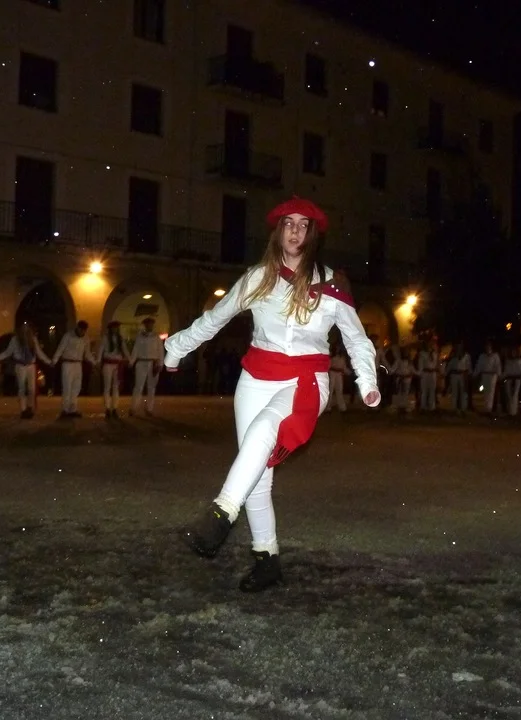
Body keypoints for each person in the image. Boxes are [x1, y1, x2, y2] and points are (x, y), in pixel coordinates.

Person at [163, 197, 380, 592]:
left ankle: (220, 514)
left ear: (312, 233)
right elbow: (216, 318)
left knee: (265, 430)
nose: (295, 230)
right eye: (288, 223)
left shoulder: (332, 283)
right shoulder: (257, 278)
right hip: (255, 379)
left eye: (303, 224)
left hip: (306, 382)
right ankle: (267, 560)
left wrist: (367, 382)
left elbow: (356, 337)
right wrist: (177, 347)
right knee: (258, 477)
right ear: (278, 231)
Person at [0, 323, 51, 419]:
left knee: (31, 389)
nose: (25, 330)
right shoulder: (15, 340)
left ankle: (30, 407)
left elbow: (39, 352)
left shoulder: (33, 339)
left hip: (31, 366)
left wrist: (48, 361)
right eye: (23, 328)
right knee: (21, 388)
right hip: (20, 366)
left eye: (27, 328)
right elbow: (7, 352)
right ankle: (23, 409)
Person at [52, 320, 95, 419]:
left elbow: (87, 353)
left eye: (84, 330)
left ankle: (73, 409)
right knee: (67, 386)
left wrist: (94, 362)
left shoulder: (85, 338)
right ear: (78, 328)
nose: (83, 332)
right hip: (67, 363)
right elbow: (60, 349)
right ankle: (65, 409)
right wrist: (54, 360)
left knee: (76, 387)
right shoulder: (68, 336)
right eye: (81, 330)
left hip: (78, 364)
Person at [130, 317, 165, 416]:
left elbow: (160, 351)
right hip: (141, 362)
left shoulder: (156, 337)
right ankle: (134, 408)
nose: (149, 326)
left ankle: (149, 409)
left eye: (151, 324)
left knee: (151, 387)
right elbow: (135, 349)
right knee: (138, 386)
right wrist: (131, 361)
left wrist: (160, 364)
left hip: (153, 363)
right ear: (145, 325)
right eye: (148, 324)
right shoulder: (140, 336)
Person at [98, 321, 131, 419]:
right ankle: (107, 408)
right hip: (108, 364)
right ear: (110, 328)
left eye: (116, 327)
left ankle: (115, 408)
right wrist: (98, 361)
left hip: (117, 364)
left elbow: (125, 350)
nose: (115, 329)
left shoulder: (120, 338)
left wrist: (130, 360)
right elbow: (100, 350)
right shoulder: (105, 338)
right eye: (113, 327)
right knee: (107, 387)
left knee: (116, 387)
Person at [474, 340, 502, 415]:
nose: (487, 347)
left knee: (491, 392)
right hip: (485, 375)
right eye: (486, 346)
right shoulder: (482, 356)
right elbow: (479, 366)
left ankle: (489, 408)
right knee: (486, 392)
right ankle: (486, 408)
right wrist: (475, 374)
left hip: (492, 376)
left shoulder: (495, 355)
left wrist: (499, 375)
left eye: (489, 346)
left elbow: (498, 366)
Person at [445, 341, 471, 412]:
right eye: (458, 346)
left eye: (460, 346)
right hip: (454, 375)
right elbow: (449, 366)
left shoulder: (466, 356)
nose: (459, 348)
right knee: (454, 392)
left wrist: (469, 375)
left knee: (463, 392)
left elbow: (469, 366)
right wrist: (445, 373)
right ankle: (454, 408)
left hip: (463, 375)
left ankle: (463, 408)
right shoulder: (453, 356)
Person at [417, 336, 440, 412]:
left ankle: (432, 407)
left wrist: (437, 372)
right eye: (429, 343)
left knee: (432, 390)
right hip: (425, 373)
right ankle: (423, 407)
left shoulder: (435, 353)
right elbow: (420, 365)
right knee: (424, 390)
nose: (431, 344)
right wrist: (420, 374)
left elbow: (437, 364)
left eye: (432, 343)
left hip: (433, 373)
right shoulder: (422, 353)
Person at [503, 345, 521, 416]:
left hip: (517, 380)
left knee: (515, 395)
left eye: (514, 352)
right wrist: (501, 377)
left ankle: (514, 411)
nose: (513, 353)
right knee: (509, 395)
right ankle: (510, 411)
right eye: (512, 352)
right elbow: (506, 371)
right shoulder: (508, 361)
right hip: (509, 379)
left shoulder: (519, 361)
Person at [327, 342, 349, 412]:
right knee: (330, 390)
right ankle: (328, 407)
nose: (338, 348)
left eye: (339, 347)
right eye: (336, 347)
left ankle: (342, 407)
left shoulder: (342, 356)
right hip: (332, 373)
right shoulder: (331, 355)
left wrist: (348, 372)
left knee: (339, 390)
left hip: (339, 374)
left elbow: (344, 366)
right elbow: (328, 365)